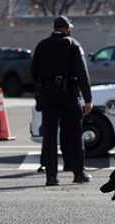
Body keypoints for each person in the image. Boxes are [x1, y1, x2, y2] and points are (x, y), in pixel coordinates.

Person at [31, 16, 93, 186]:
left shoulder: (42, 45)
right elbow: (82, 74)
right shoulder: (73, 45)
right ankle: (78, 173)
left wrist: (42, 90)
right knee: (74, 134)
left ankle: (51, 177)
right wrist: (88, 99)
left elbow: (33, 72)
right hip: (68, 95)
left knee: (50, 138)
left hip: (48, 96)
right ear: (66, 28)